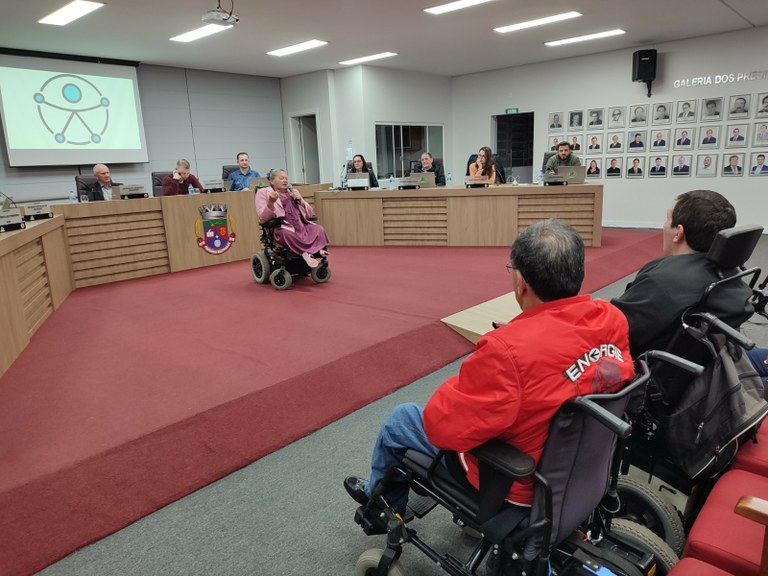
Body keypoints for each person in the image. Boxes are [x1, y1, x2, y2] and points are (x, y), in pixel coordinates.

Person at [344, 219, 634, 520]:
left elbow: (442, 428)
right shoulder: (611, 318)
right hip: (583, 468)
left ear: (521, 281)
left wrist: (487, 362)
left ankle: (381, 508)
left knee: (402, 418)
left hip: (515, 483)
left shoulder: (506, 353)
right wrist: (518, 338)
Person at [611, 190, 753, 359]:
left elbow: (614, 330)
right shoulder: (729, 272)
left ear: (678, 232)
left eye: (667, 219)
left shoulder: (662, 281)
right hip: (720, 362)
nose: (664, 225)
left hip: (654, 369)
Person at [255, 168, 330, 269]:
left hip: (300, 225)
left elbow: (310, 213)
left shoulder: (293, 192)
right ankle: (307, 253)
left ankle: (313, 251)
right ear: (272, 181)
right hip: (282, 227)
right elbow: (263, 217)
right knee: (288, 234)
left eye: (286, 178)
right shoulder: (263, 192)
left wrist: (301, 201)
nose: (285, 180)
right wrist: (270, 203)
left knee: (318, 229)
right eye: (281, 178)